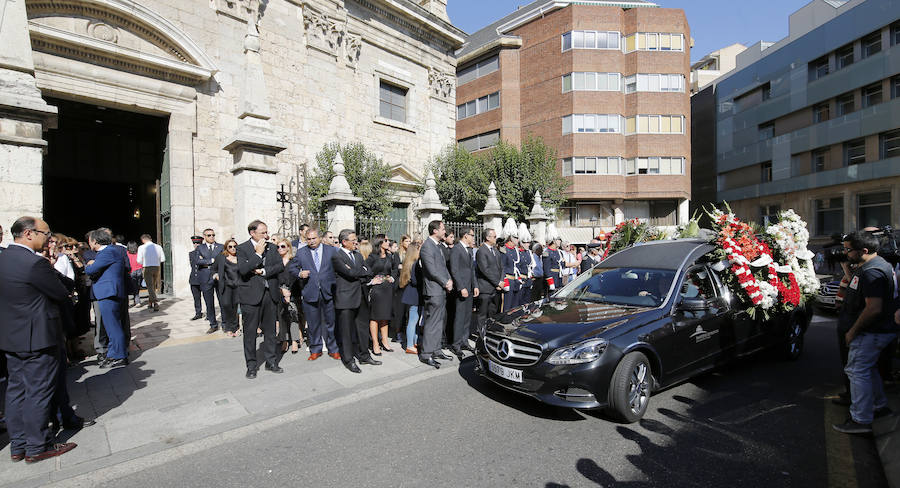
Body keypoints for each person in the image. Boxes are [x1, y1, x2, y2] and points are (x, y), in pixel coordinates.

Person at [0, 216, 78, 463]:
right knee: (38, 391)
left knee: (16, 390)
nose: (49, 239)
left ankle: (19, 444)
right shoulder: (35, 264)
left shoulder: (3, 258)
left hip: (12, 337)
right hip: (39, 339)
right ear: (29, 234)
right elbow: (61, 292)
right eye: (46, 233)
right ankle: (38, 445)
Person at [833, 231, 899, 434]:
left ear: (864, 250)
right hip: (872, 331)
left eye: (848, 250)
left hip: (870, 332)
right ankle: (879, 407)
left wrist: (853, 331)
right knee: (868, 370)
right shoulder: (869, 266)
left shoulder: (873, 272)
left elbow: (873, 308)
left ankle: (861, 420)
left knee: (857, 371)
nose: (845, 253)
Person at [236, 220, 285, 379]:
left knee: (270, 331)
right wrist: (257, 254)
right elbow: (243, 270)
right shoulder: (242, 248)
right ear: (252, 233)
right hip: (251, 296)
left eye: (266, 232)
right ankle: (251, 365)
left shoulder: (271, 247)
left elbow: (279, 266)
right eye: (263, 232)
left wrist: (264, 271)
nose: (266, 235)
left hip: (269, 294)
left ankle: (271, 362)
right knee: (250, 333)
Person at [331, 229, 382, 373]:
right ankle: (348, 360)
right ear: (344, 242)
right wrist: (359, 271)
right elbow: (350, 273)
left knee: (362, 329)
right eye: (353, 240)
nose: (356, 242)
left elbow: (368, 272)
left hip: (361, 297)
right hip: (345, 299)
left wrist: (358, 271)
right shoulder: (337, 256)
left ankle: (364, 355)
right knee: (347, 332)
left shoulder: (358, 255)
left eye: (356, 239)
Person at [288, 228, 339, 361]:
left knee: (331, 323)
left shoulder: (331, 250)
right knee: (313, 323)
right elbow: (292, 268)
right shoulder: (301, 252)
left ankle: (333, 349)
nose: (311, 241)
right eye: (308, 239)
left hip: (328, 292)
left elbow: (338, 267)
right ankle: (315, 349)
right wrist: (299, 274)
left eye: (314, 238)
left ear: (320, 238)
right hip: (310, 292)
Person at [84, 228, 129, 369]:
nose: (89, 243)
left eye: (90, 240)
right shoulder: (111, 251)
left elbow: (91, 270)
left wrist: (89, 265)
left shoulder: (107, 252)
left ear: (95, 241)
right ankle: (113, 353)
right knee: (112, 326)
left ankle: (119, 356)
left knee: (112, 327)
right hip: (110, 292)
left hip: (108, 293)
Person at [419, 220, 455, 369]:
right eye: (442, 229)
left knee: (440, 321)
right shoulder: (427, 246)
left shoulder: (438, 246)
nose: (444, 231)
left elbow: (443, 267)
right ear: (435, 231)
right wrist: (445, 282)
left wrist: (449, 279)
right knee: (432, 322)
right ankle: (426, 353)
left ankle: (436, 349)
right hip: (433, 290)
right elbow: (431, 270)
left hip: (441, 289)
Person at [449, 226, 479, 360]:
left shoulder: (469, 250)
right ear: (465, 235)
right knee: (460, 317)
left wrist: (475, 286)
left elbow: (471, 270)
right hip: (462, 289)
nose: (473, 237)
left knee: (468, 317)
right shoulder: (456, 249)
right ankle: (456, 344)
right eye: (472, 235)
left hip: (470, 288)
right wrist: (461, 287)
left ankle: (464, 341)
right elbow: (454, 270)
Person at [365, 235, 397, 355]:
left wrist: (392, 278)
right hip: (377, 290)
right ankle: (375, 343)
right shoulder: (372, 257)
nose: (388, 242)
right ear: (380, 242)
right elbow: (365, 270)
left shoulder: (390, 256)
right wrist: (372, 281)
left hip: (387, 289)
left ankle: (384, 341)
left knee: (385, 316)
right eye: (386, 240)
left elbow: (394, 269)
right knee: (375, 317)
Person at [274, 238, 300, 353]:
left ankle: (294, 340)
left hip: (292, 291)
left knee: (293, 316)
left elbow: (295, 277)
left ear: (288, 247)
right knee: (282, 317)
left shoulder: (293, 261)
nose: (280, 249)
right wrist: (281, 290)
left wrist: (288, 291)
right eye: (278, 247)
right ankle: (284, 340)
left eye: (283, 246)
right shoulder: (276, 262)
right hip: (279, 292)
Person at [475, 228, 503, 331]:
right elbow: (485, 270)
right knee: (483, 314)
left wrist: (501, 281)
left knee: (493, 313)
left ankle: (490, 332)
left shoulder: (495, 251)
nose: (496, 238)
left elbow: (501, 267)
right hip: (485, 288)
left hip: (496, 288)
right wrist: (498, 282)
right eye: (494, 236)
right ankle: (481, 335)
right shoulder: (481, 251)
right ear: (487, 237)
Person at [197, 228, 224, 333]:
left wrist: (205, 262)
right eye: (209, 235)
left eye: (213, 235)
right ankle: (213, 324)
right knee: (209, 303)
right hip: (205, 277)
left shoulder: (221, 247)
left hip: (218, 276)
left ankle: (225, 323)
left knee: (223, 301)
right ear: (204, 236)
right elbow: (197, 261)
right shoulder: (200, 248)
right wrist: (211, 261)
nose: (212, 237)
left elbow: (224, 259)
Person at [213, 238, 241, 337]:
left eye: (235, 246)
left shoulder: (240, 257)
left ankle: (235, 328)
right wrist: (216, 276)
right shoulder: (221, 257)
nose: (233, 248)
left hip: (238, 286)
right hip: (226, 286)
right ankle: (229, 327)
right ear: (226, 248)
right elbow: (213, 269)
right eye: (230, 247)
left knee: (235, 307)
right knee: (226, 305)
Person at [399, 242, 423, 354]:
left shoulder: (410, 262)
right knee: (413, 320)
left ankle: (414, 342)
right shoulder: (415, 263)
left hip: (412, 294)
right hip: (414, 295)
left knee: (414, 320)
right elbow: (415, 280)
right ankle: (409, 345)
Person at [137, 234, 164, 312]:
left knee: (150, 286)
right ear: (150, 239)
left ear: (143, 240)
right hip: (156, 267)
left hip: (147, 267)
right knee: (153, 285)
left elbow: (139, 261)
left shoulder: (141, 247)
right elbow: (162, 259)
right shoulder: (158, 247)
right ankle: (150, 303)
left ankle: (155, 302)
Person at [501, 231, 522, 312]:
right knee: (507, 305)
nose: (517, 239)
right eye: (516, 238)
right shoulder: (504, 250)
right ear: (510, 239)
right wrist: (504, 280)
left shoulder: (515, 251)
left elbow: (518, 266)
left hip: (515, 280)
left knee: (515, 305)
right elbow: (502, 267)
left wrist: (519, 279)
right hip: (508, 280)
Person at [188, 235, 206, 322]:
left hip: (203, 279)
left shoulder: (205, 253)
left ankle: (209, 314)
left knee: (207, 298)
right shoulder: (191, 253)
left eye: (198, 243)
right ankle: (198, 313)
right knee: (196, 297)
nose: (196, 245)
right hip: (194, 279)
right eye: (194, 243)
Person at [126, 241, 143, 307]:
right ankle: (136, 301)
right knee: (137, 287)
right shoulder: (139, 253)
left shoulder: (126, 253)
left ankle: (137, 301)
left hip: (131, 271)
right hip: (139, 271)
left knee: (133, 287)